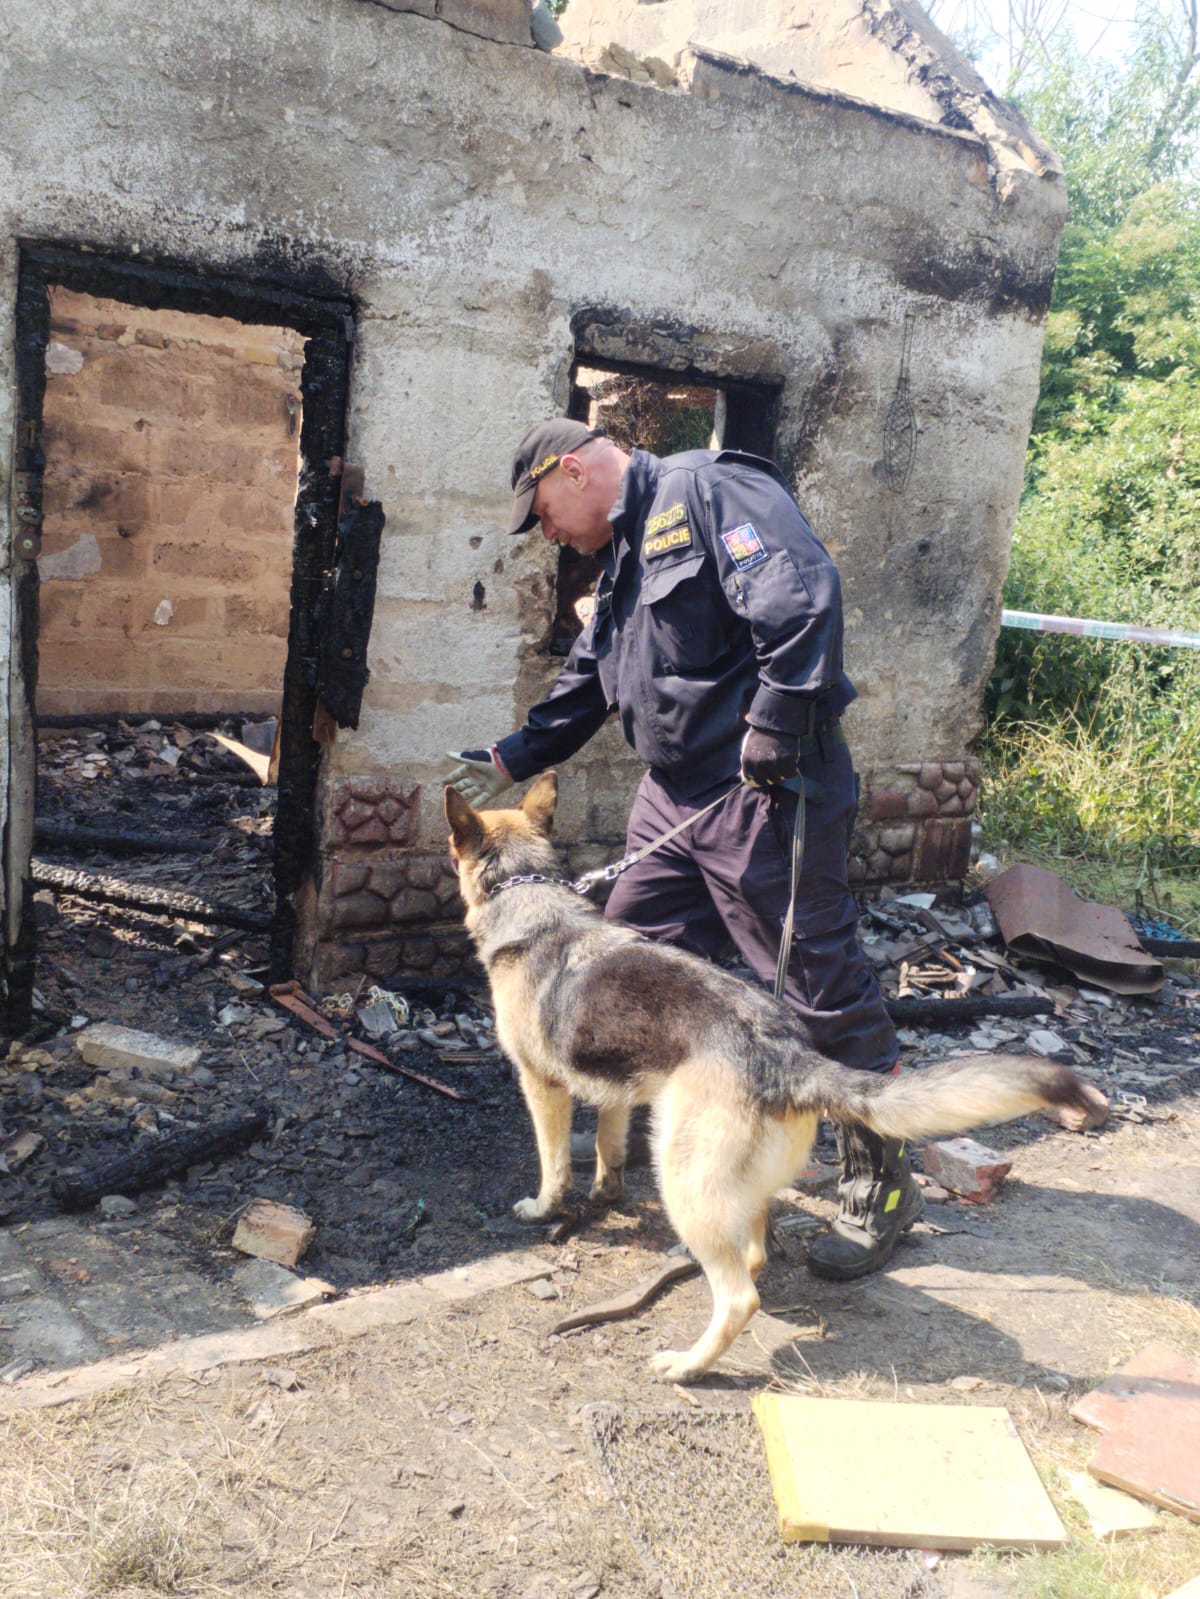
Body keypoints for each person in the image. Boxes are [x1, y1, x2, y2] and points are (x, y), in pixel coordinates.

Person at [445, 417, 922, 1279]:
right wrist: (511, 757)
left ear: (573, 469)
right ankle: (671, 1138)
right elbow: (589, 679)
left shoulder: (708, 491)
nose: (545, 531)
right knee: (626, 957)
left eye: (541, 511)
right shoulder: (622, 558)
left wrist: (779, 717)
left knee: (815, 982)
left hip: (764, 789)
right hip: (672, 796)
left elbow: (800, 594)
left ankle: (879, 1184)